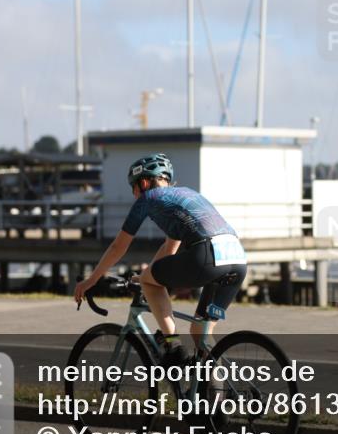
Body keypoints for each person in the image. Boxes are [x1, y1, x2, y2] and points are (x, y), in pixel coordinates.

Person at [73, 153, 247, 358]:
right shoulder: (186, 194)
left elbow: (118, 247)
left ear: (144, 182)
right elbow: (169, 249)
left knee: (150, 282)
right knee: (201, 333)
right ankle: (217, 380)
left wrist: (92, 280)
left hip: (207, 256)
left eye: (133, 187)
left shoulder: (149, 198)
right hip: (237, 259)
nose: (134, 194)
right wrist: (146, 276)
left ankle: (173, 345)